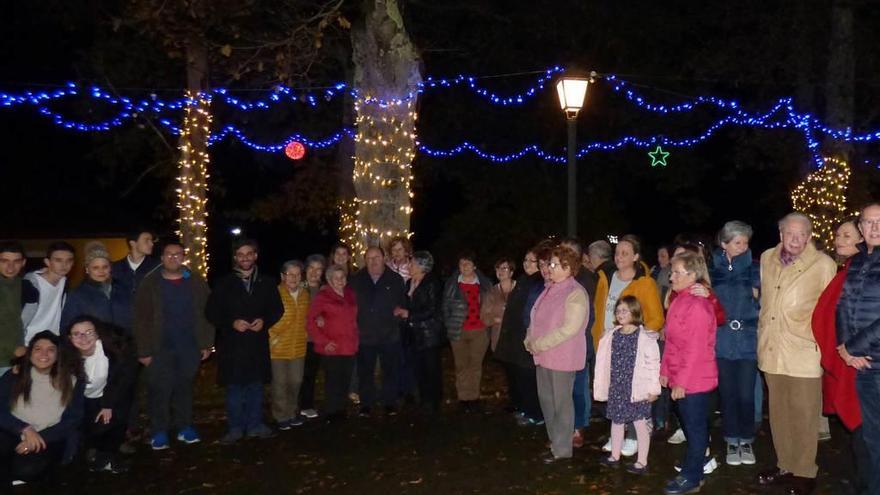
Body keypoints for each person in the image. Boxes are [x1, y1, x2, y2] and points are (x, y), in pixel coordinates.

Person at [756, 213, 836, 495]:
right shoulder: (767, 258)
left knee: (804, 414)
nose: (796, 239)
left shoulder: (823, 264)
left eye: (802, 234)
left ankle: (805, 471)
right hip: (771, 347)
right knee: (778, 413)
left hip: (803, 349)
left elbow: (830, 309)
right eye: (791, 233)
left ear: (809, 235)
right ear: (780, 234)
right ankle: (785, 464)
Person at [133, 241, 214, 450]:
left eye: (177, 254)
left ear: (183, 256)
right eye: (168, 254)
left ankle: (184, 427)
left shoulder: (196, 282)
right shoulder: (150, 283)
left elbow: (207, 314)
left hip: (188, 346)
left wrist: (206, 343)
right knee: (160, 389)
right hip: (159, 347)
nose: (173, 258)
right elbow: (141, 319)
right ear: (161, 258)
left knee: (184, 388)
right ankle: (159, 431)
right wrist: (143, 350)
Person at [206, 239, 284, 444]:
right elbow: (211, 312)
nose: (245, 258)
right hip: (233, 346)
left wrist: (265, 321)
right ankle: (235, 428)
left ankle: (255, 425)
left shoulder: (267, 282)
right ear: (235, 257)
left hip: (257, 343)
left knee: (256, 387)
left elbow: (277, 309)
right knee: (234, 389)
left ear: (255, 256)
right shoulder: (224, 283)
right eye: (241, 254)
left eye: (249, 254)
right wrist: (231, 323)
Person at [594, 235, 664, 456]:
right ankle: (618, 433)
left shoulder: (645, 283)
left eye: (625, 253)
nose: (619, 256)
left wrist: (637, 336)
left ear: (635, 256)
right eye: (617, 252)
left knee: (634, 393)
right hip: (608, 346)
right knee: (614, 391)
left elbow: (656, 318)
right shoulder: (605, 277)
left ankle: (636, 435)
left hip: (632, 347)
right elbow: (599, 311)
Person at [812, 216, 867, 492]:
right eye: (837, 235)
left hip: (857, 359)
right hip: (843, 357)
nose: (838, 240)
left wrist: (853, 350)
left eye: (846, 235)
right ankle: (860, 476)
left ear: (862, 238)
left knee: (861, 421)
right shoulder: (846, 270)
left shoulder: (858, 273)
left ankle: (865, 480)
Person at [524, 246, 589, 464]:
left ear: (568, 268)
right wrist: (529, 338)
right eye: (549, 264)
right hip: (543, 355)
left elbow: (569, 328)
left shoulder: (575, 293)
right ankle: (555, 442)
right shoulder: (550, 288)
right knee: (547, 401)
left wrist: (539, 343)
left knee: (561, 404)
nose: (549, 268)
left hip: (562, 357)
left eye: (553, 264)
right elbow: (536, 317)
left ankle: (562, 449)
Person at [660, 252, 718, 494]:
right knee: (689, 426)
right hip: (681, 377)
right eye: (672, 272)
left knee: (695, 429)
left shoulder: (696, 306)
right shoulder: (680, 300)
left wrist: (681, 382)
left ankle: (692, 476)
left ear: (692, 275)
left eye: (676, 273)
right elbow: (672, 341)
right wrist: (665, 371)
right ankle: (695, 465)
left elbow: (694, 349)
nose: (671, 277)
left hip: (695, 379)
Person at [0, 331, 83, 490]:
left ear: (58, 355)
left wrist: (36, 439)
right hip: (15, 430)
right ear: (30, 353)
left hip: (49, 436)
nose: (44, 354)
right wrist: (24, 429)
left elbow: (73, 419)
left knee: (26, 470)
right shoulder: (16, 374)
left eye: (50, 349)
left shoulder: (71, 380)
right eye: (38, 349)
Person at [835, 204, 880, 495]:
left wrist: (852, 346)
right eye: (868, 222)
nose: (874, 228)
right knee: (871, 437)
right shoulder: (858, 262)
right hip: (863, 365)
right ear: (861, 230)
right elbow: (842, 307)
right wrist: (844, 349)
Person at [709, 221, 760, 467]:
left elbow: (767, 302)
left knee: (746, 394)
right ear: (724, 244)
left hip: (748, 340)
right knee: (727, 394)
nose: (742, 247)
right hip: (722, 340)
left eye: (745, 242)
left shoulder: (756, 269)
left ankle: (746, 438)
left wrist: (758, 300)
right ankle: (731, 439)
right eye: (737, 242)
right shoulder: (712, 271)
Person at [594, 296, 660, 475]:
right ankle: (615, 456)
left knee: (639, 423)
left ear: (634, 312)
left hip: (637, 388)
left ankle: (642, 462)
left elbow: (654, 363)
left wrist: (654, 389)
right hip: (617, 386)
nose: (620, 314)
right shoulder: (612, 335)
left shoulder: (644, 337)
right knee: (616, 421)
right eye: (618, 310)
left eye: (625, 310)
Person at [65, 316, 136, 473]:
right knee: (88, 426)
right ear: (70, 338)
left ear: (98, 334)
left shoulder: (112, 350)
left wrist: (108, 403)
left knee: (115, 418)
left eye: (89, 332)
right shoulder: (66, 356)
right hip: (83, 397)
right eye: (76, 334)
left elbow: (124, 376)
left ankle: (110, 453)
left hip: (110, 392)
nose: (83, 338)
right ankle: (93, 448)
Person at [349, 247, 406, 416]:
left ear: (384, 258)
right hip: (365, 335)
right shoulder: (357, 280)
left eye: (377, 257)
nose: (373, 261)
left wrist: (395, 319)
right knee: (365, 372)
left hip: (389, 334)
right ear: (364, 260)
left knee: (390, 370)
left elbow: (402, 303)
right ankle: (366, 403)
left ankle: (390, 402)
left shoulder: (395, 279)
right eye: (369, 258)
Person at [494, 248, 544, 426]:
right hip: (513, 337)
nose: (527, 263)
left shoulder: (539, 282)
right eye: (525, 259)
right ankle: (523, 408)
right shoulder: (524, 280)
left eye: (532, 260)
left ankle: (535, 413)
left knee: (528, 378)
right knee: (517, 376)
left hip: (525, 336)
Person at [306, 265, 358, 421]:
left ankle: (341, 410)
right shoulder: (323, 296)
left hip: (349, 345)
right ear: (329, 280)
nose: (340, 281)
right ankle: (331, 411)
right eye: (336, 278)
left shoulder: (350, 293)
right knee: (333, 381)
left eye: (342, 277)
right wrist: (323, 341)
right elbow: (311, 321)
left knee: (345, 380)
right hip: (332, 346)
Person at [443, 251, 493, 412]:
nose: (464, 267)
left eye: (468, 263)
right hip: (459, 330)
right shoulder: (452, 284)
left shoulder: (484, 284)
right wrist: (448, 324)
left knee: (475, 365)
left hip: (479, 331)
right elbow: (445, 307)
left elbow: (490, 304)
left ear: (474, 266)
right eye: (461, 264)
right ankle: (463, 398)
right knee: (461, 365)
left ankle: (474, 397)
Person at [399, 251, 445, 412]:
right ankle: (424, 398)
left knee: (431, 368)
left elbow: (432, 309)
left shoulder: (432, 283)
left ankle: (433, 401)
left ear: (421, 266)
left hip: (429, 333)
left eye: (412, 263)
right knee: (418, 367)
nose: (409, 266)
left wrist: (409, 315)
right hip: (414, 334)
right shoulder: (409, 283)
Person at [268, 261, 310, 430]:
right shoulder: (274, 293)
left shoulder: (304, 294)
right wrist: (273, 335)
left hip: (298, 346)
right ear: (282, 276)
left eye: (297, 274)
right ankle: (280, 415)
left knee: (296, 381)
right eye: (290, 274)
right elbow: (268, 318)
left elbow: (307, 317)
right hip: (278, 347)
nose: (294, 277)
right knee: (280, 382)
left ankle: (292, 412)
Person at [60, 243, 132, 336]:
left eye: (105, 267)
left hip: (124, 345)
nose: (101, 271)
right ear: (87, 269)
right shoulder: (77, 295)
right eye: (95, 268)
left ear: (110, 267)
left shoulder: (124, 289)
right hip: (93, 347)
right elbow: (67, 328)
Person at [21, 242, 75, 343]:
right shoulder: (29, 285)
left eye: (69, 260)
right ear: (47, 262)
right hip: (28, 342)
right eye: (58, 260)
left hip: (53, 341)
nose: (64, 265)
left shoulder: (64, 283)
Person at [0, 242, 39, 373]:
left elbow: (18, 323)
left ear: (23, 263)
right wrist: (13, 349)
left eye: (16, 261)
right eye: (4, 261)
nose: (10, 267)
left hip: (15, 360)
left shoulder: (25, 287)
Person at [298, 254, 326, 419]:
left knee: (310, 373)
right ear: (305, 270)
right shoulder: (298, 287)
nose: (315, 272)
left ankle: (306, 405)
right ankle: (294, 405)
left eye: (319, 269)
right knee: (296, 375)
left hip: (316, 339)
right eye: (311, 268)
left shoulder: (325, 290)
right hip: (299, 337)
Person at [480, 257, 516, 352]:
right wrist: (495, 319)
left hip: (518, 338)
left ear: (511, 272)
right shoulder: (491, 292)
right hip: (499, 338)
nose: (500, 271)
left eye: (504, 268)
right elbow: (484, 317)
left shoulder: (520, 289)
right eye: (498, 268)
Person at [111, 230, 160, 296]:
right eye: (146, 240)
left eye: (151, 240)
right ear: (133, 243)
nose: (152, 244)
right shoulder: (115, 268)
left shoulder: (157, 267)